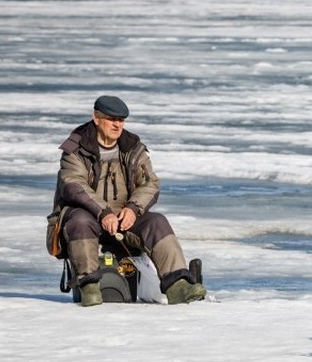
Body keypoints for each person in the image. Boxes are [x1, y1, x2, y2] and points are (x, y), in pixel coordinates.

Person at [48, 95, 207, 306]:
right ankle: (89, 286)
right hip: (87, 215)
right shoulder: (76, 147)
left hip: (124, 217)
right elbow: (74, 186)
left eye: (121, 120)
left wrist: (133, 209)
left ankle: (178, 284)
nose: (117, 125)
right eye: (111, 119)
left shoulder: (133, 146)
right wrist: (103, 212)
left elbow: (150, 183)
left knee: (156, 222)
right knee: (80, 221)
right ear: (96, 118)